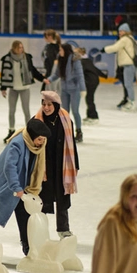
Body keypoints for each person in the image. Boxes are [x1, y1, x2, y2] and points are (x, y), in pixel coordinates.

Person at [0, 118, 51, 256]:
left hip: (20, 186)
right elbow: (10, 168)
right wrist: (17, 188)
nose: (42, 142)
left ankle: (29, 248)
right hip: (2, 185)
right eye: (40, 139)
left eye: (43, 139)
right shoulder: (17, 144)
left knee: (24, 215)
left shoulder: (36, 146)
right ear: (32, 137)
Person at [34, 91, 79, 239]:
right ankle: (41, 230)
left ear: (56, 105)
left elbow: (72, 144)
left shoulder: (66, 120)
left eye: (49, 104)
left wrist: (75, 165)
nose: (46, 108)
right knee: (43, 198)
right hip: (44, 166)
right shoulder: (36, 122)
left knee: (62, 197)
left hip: (62, 165)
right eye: (44, 104)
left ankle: (63, 229)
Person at [0, 40, 47, 144]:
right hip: (13, 88)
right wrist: (3, 88)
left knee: (26, 111)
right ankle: (11, 130)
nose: (21, 49)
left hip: (25, 88)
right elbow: (4, 73)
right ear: (14, 48)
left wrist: (42, 79)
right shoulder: (7, 59)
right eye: (19, 48)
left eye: (22, 47)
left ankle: (30, 132)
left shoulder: (27, 58)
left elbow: (33, 70)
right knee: (11, 111)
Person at [46, 43, 86, 143]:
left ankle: (79, 131)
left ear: (66, 50)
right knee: (64, 112)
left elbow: (80, 75)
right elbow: (57, 74)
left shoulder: (74, 60)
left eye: (61, 50)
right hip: (64, 89)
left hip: (74, 89)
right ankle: (66, 132)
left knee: (75, 111)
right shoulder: (60, 59)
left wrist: (83, 89)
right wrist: (49, 79)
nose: (59, 51)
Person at [101, 23, 137, 112]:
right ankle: (129, 101)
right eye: (119, 31)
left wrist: (104, 49)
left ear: (125, 31)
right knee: (128, 84)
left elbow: (115, 47)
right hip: (129, 64)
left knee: (128, 85)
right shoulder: (130, 38)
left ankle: (132, 103)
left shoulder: (125, 39)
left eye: (121, 31)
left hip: (128, 64)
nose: (119, 33)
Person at [74, 47, 108, 125]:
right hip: (93, 81)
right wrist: (104, 75)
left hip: (90, 82)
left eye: (76, 53)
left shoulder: (82, 62)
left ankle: (94, 117)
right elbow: (95, 69)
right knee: (89, 98)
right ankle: (90, 115)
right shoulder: (88, 60)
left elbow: (79, 72)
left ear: (81, 53)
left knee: (89, 98)